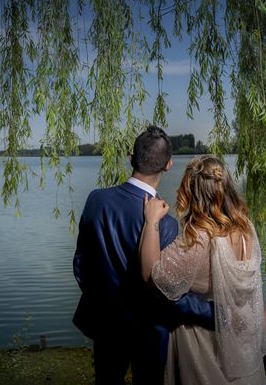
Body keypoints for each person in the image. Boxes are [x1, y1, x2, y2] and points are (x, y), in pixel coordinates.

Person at [72, 126, 215, 385]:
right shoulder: (168, 225)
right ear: (169, 165)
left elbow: (81, 264)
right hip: (149, 330)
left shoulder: (96, 200)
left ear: (131, 158)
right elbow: (169, 293)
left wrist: (105, 300)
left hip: (105, 324)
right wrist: (214, 314)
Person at [140, 155, 266, 385]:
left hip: (202, 344)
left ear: (190, 191)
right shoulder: (246, 229)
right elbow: (251, 282)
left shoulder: (197, 239)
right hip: (239, 334)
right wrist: (261, 312)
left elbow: (152, 277)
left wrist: (152, 221)